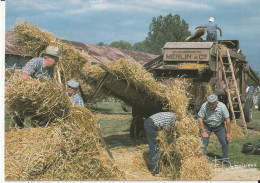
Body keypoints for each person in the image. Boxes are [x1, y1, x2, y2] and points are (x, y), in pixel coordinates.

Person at [13, 46, 60, 128]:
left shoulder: (51, 69)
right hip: (24, 95)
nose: (56, 63)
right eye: (56, 60)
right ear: (48, 58)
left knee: (37, 123)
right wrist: (40, 85)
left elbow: (48, 84)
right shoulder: (35, 62)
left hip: (37, 99)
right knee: (18, 122)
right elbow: (24, 77)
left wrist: (55, 86)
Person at [198, 94, 231, 165]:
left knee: (225, 142)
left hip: (219, 126)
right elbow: (200, 118)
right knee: (204, 142)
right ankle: (201, 161)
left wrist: (228, 133)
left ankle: (225, 161)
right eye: (209, 104)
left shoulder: (222, 107)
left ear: (217, 102)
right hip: (207, 125)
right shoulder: (204, 106)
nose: (211, 106)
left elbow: (227, 119)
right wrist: (203, 131)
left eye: (213, 104)